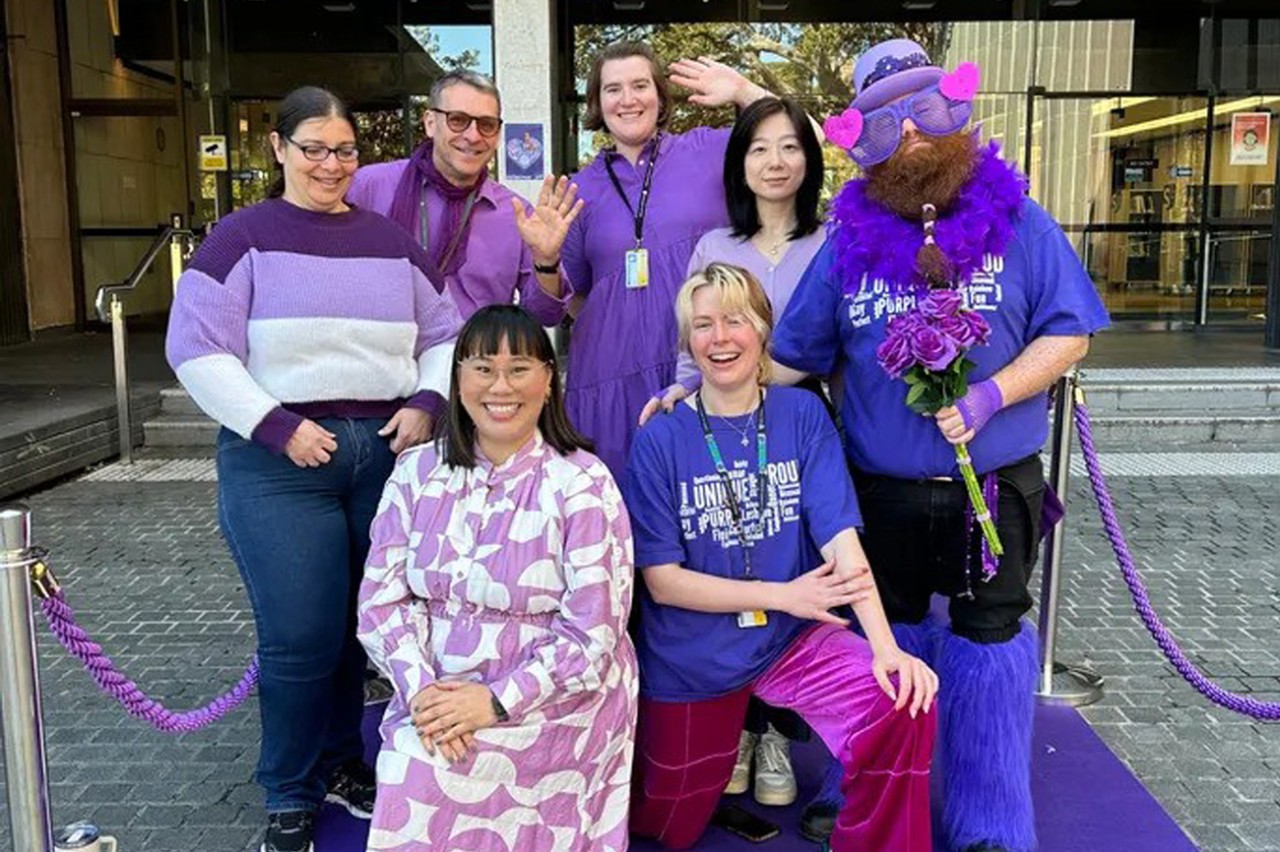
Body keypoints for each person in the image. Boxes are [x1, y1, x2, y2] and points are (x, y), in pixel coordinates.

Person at [772, 39, 1110, 852]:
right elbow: (792, 359)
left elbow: (1072, 335)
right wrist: (700, 386)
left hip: (992, 489)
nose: (913, 136)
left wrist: (993, 393)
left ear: (956, 111)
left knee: (988, 648)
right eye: (889, 123)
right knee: (874, 638)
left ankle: (988, 822)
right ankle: (869, 789)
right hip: (876, 492)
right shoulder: (844, 247)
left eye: (926, 111)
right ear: (864, 139)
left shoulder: (1023, 224)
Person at [166, 86, 462, 852]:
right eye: (315, 149)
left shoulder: (391, 240)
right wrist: (275, 425)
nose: (331, 165)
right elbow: (194, 347)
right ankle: (289, 790)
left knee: (362, 630)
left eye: (345, 151)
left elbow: (445, 331)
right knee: (301, 632)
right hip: (280, 459)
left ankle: (341, 763)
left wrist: (430, 397)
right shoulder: (240, 238)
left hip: (385, 453)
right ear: (279, 149)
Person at [625, 263, 938, 851]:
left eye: (736, 320)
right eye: (703, 325)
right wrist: (783, 595)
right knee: (665, 825)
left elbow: (841, 540)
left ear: (764, 330)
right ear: (687, 343)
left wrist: (886, 648)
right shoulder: (660, 438)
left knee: (901, 701)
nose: (720, 338)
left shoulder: (801, 415)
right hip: (694, 656)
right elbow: (662, 583)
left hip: (790, 640)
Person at [357, 305, 638, 851]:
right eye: (483, 367)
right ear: (458, 378)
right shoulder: (416, 473)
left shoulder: (582, 482)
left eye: (519, 368)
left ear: (549, 379)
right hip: (437, 690)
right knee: (419, 762)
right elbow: (381, 602)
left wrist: (494, 702)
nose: (500, 386)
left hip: (555, 698)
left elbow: (594, 632)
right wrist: (425, 697)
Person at [637, 94, 829, 818]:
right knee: (737, 565)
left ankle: (779, 732)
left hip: (805, 431)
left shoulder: (833, 242)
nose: (774, 162)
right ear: (738, 165)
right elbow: (692, 344)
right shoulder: (715, 245)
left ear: (808, 160)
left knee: (798, 574)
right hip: (724, 434)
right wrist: (676, 396)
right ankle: (740, 730)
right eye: (758, 149)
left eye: (789, 147)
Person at [558, 43, 776, 477]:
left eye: (640, 85)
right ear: (597, 104)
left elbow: (806, 139)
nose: (628, 99)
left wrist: (743, 89)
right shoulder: (579, 190)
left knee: (711, 501)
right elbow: (567, 297)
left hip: (703, 365)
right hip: (609, 382)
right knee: (619, 516)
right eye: (612, 89)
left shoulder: (709, 151)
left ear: (660, 96)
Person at [346, 70, 581, 325]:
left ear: (498, 134)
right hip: (388, 358)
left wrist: (546, 262)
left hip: (471, 362)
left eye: (486, 124)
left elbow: (545, 316)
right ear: (430, 123)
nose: (473, 136)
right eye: (458, 120)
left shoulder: (516, 215)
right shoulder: (367, 187)